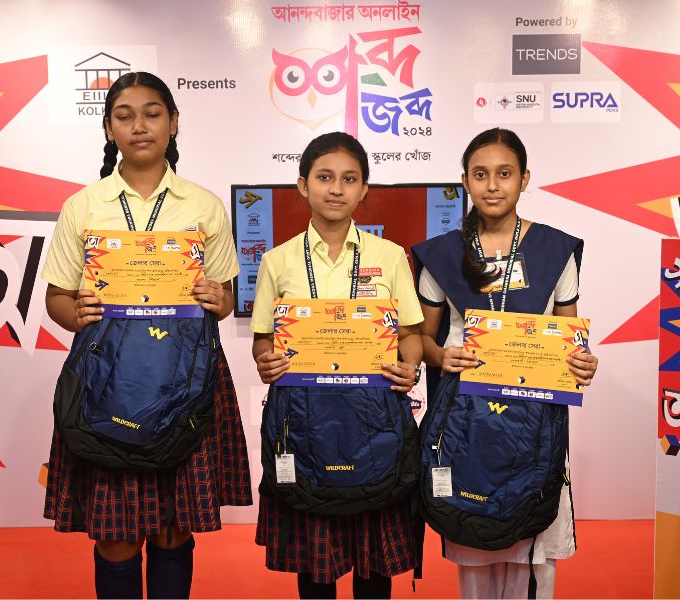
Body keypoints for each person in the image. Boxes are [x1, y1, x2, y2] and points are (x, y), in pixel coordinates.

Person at [40, 72, 251, 599]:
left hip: (186, 379)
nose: (140, 126)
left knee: (173, 528)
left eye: (152, 114)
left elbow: (225, 298)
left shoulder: (203, 205)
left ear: (173, 123)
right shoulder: (83, 206)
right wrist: (77, 311)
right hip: (107, 380)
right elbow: (57, 299)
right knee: (116, 535)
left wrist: (218, 299)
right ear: (109, 128)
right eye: (125, 116)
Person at [412, 127, 598, 599]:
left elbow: (569, 338)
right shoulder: (442, 254)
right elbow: (419, 339)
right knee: (472, 549)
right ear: (465, 181)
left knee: (533, 557)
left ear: (524, 179)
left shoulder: (555, 250)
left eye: (504, 174)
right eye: (480, 174)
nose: (492, 185)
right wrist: (442, 354)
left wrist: (582, 363)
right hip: (464, 418)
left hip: (534, 419)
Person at [250, 132, 423, 599]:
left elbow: (410, 334)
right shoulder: (277, 260)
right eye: (325, 177)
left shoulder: (389, 256)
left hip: (374, 419)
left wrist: (410, 367)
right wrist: (266, 360)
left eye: (349, 179)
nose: (336, 189)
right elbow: (264, 338)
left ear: (364, 189)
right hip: (304, 419)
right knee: (316, 566)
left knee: (373, 567)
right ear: (302, 185)